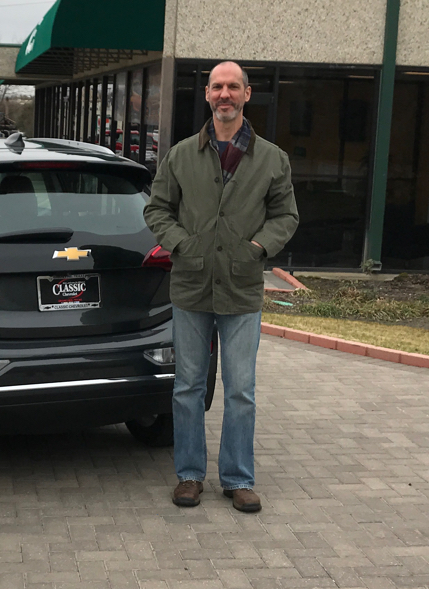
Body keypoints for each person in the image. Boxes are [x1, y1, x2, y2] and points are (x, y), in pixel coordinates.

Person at [144, 61, 299, 513]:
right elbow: (157, 211)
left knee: (240, 389)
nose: (224, 94)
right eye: (217, 87)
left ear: (247, 95)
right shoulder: (180, 155)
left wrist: (256, 248)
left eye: (233, 86)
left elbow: (286, 217)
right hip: (191, 286)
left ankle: (237, 478)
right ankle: (189, 475)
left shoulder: (273, 158)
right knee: (187, 385)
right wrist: (182, 244)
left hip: (242, 287)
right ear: (208, 95)